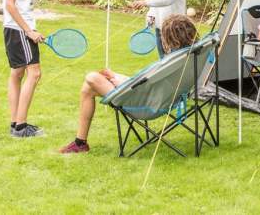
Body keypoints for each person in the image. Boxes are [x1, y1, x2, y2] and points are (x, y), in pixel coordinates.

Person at [59, 15, 197, 154]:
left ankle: (80, 143)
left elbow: (142, 86)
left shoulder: (170, 62)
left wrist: (117, 81)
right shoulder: (191, 56)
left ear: (169, 37)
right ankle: (80, 142)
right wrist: (116, 77)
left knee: (91, 77)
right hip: (161, 100)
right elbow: (146, 83)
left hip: (145, 105)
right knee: (88, 89)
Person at [1, 0, 45, 138]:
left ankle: (15, 123)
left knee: (16, 74)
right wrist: (29, 30)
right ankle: (21, 126)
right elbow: (10, 4)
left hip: (13, 28)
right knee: (34, 73)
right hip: (19, 29)